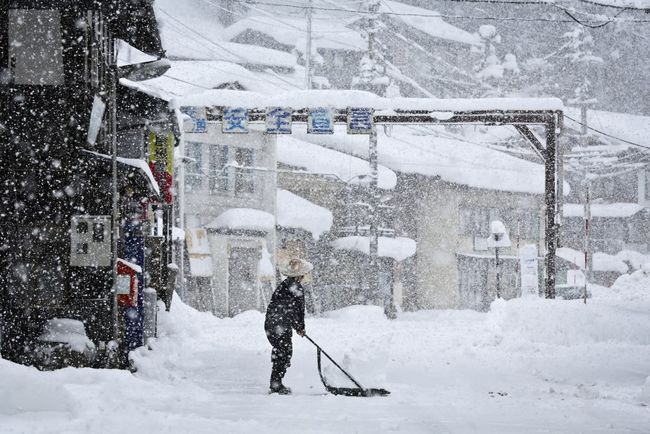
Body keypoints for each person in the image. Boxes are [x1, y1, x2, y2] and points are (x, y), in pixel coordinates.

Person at [264, 258, 313, 395]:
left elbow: (284, 307)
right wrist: (300, 328)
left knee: (281, 351)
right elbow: (298, 311)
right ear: (300, 275)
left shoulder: (284, 285)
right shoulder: (296, 288)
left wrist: (296, 326)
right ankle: (276, 384)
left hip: (271, 324)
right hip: (280, 325)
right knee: (284, 353)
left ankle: (276, 382)